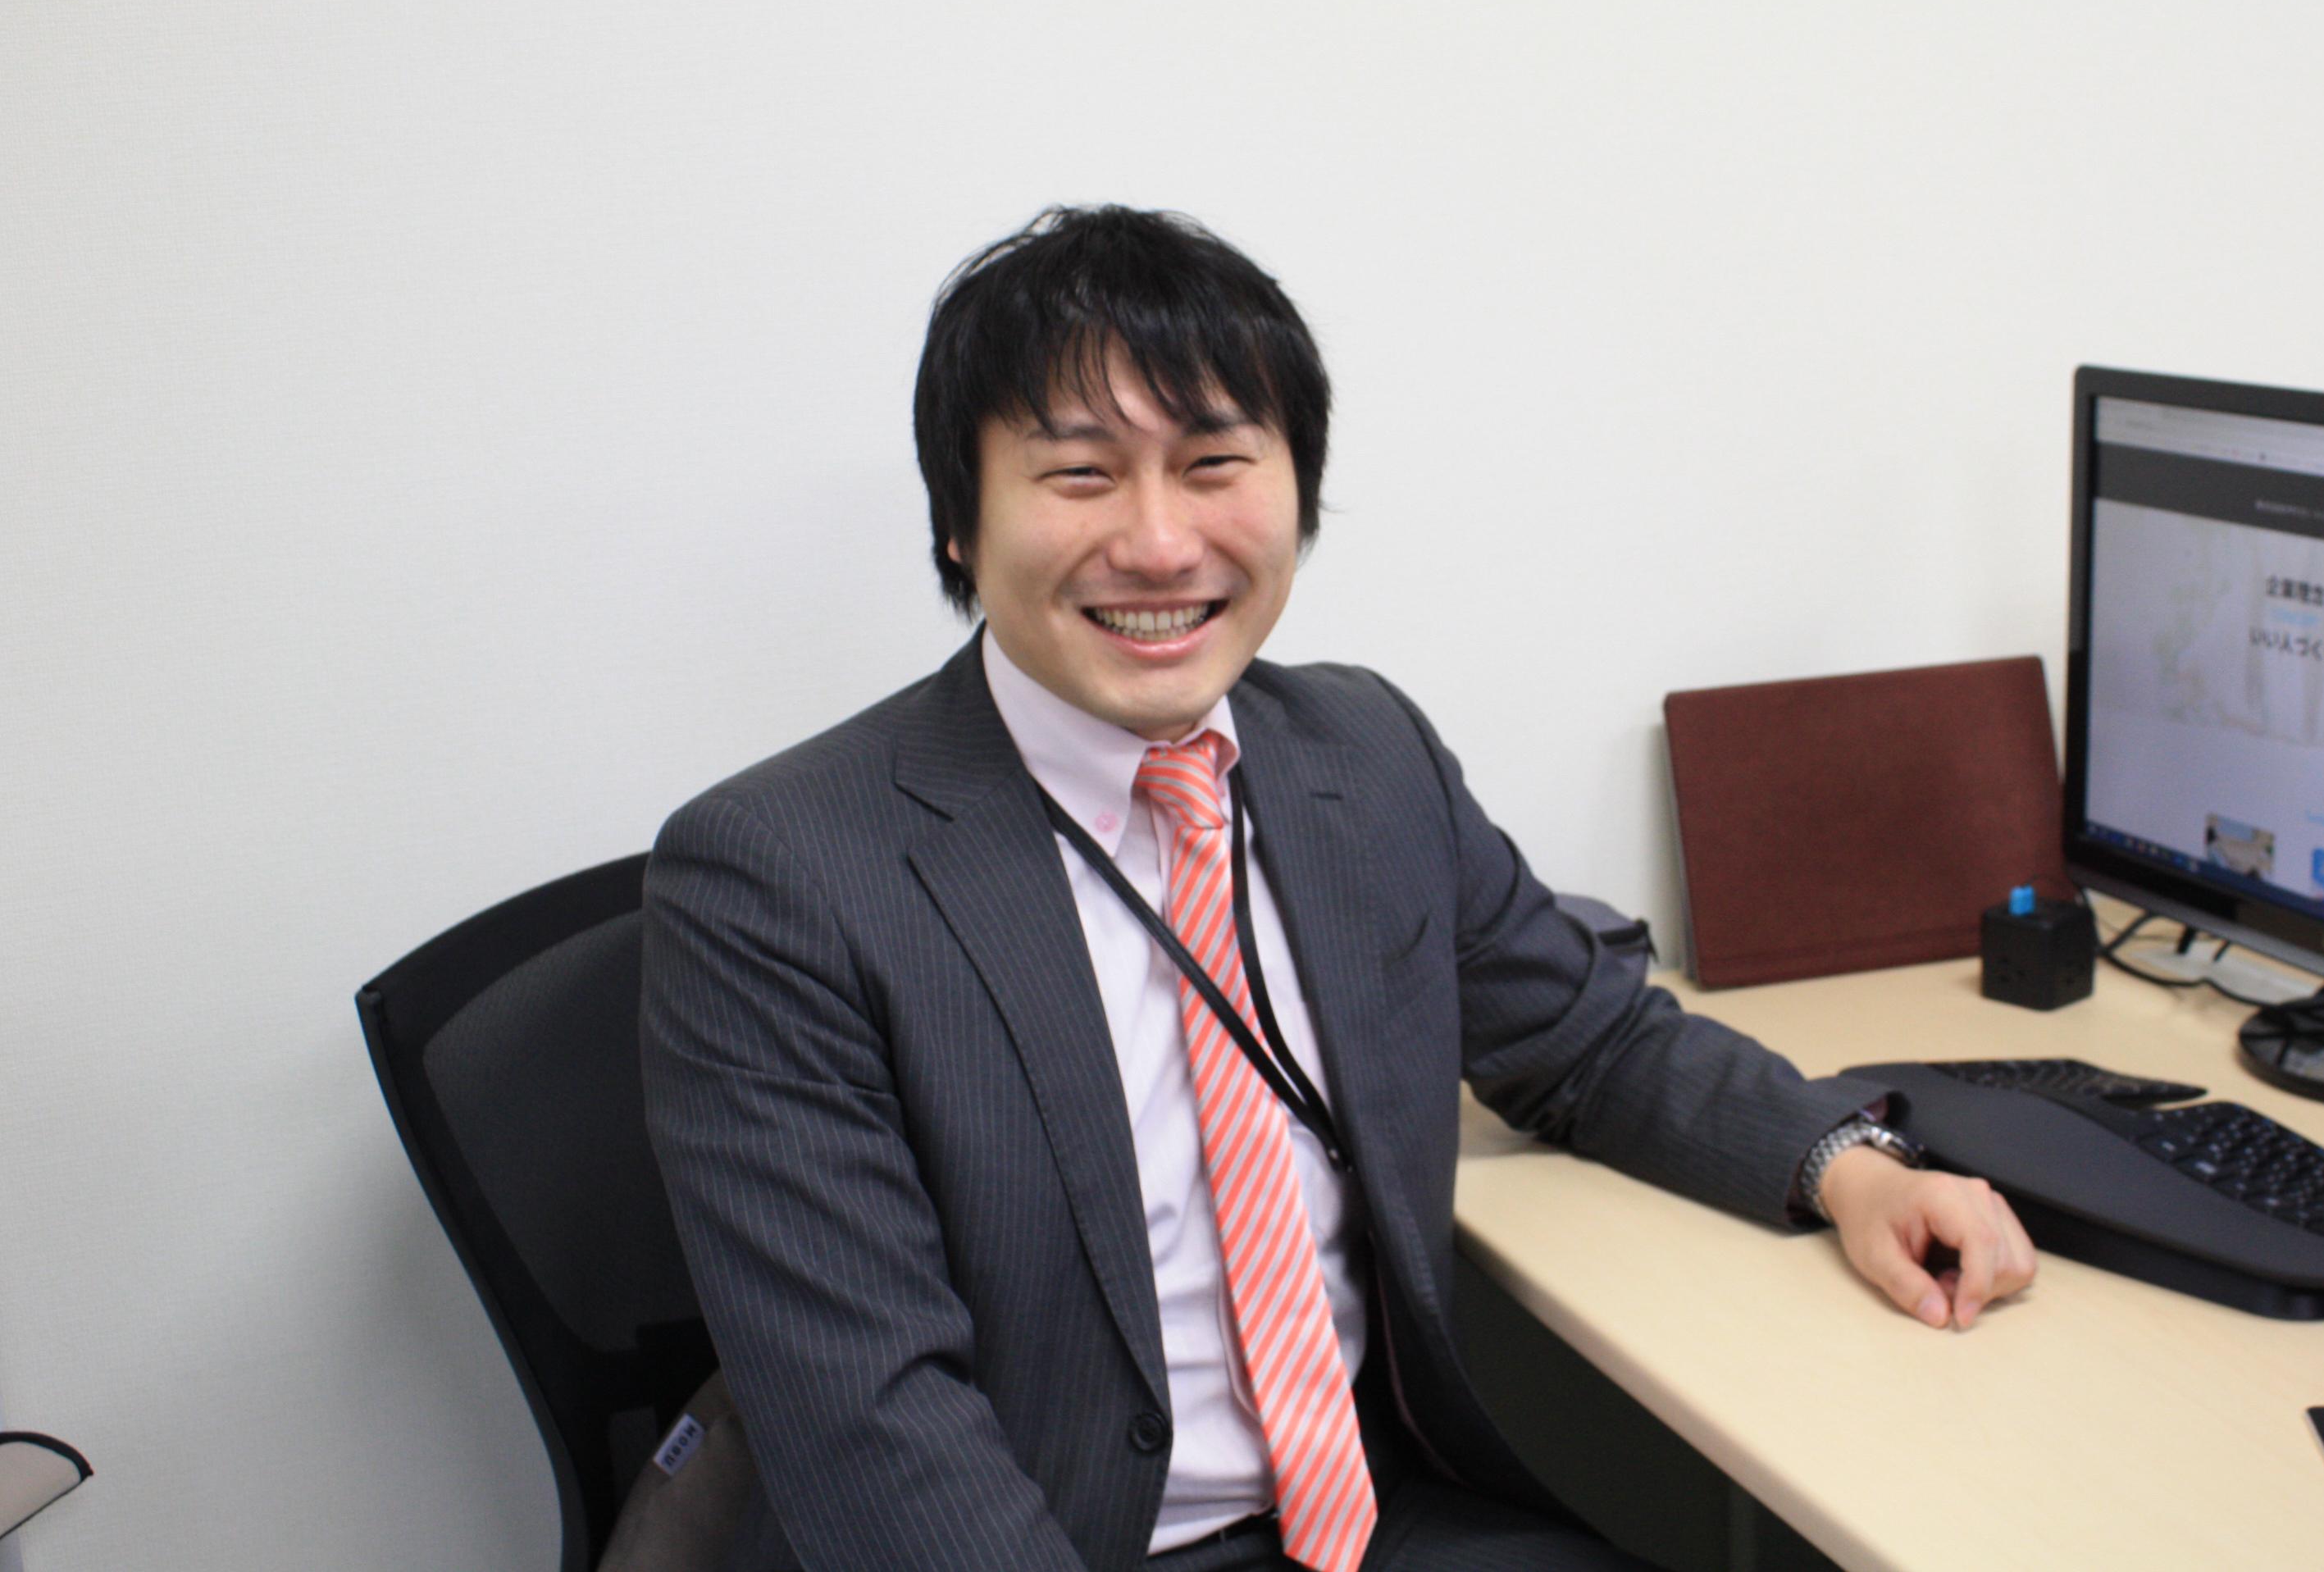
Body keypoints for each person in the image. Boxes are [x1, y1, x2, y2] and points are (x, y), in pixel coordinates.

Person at [640, 205, 2037, 1572]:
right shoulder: (778, 876)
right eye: (1079, 476)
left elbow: (1590, 1042)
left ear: (1297, 492)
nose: (1161, 543)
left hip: (1376, 1515)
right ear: (961, 522)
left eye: (1214, 464)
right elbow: (874, 1430)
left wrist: (1845, 1168)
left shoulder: (1360, 755)